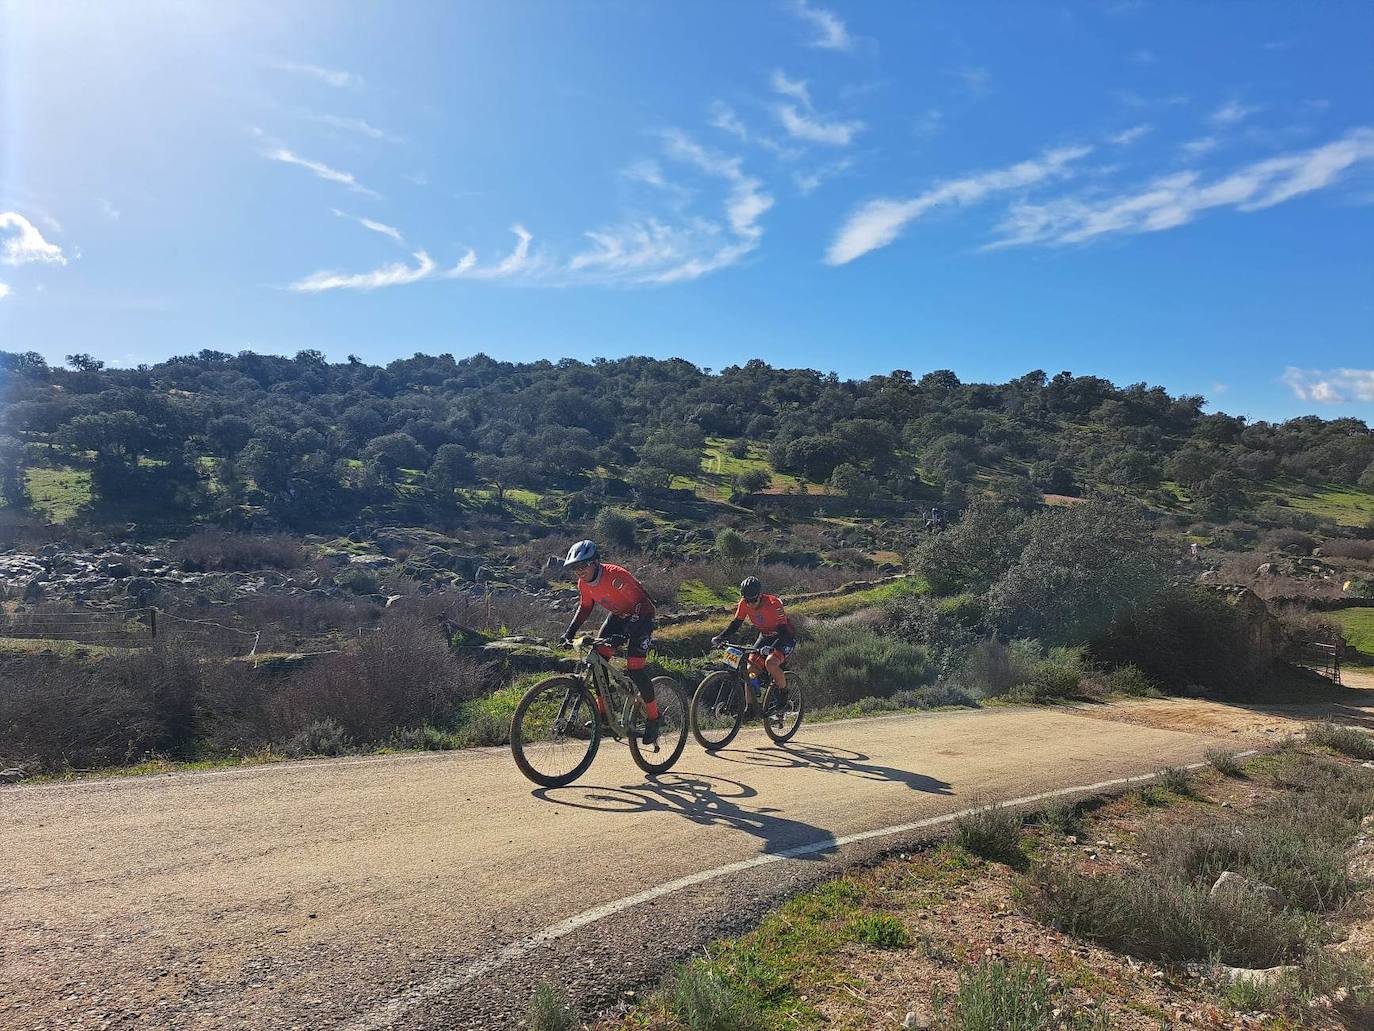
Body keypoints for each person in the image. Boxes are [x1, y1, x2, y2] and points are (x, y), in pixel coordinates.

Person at [557, 540, 661, 744]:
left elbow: (641, 604)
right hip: (619, 616)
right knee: (596, 659)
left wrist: (627, 633)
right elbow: (585, 607)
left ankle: (654, 719)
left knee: (635, 670)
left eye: (583, 565)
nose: (579, 571)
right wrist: (569, 633)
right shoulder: (583, 584)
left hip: (642, 617)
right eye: (575, 568)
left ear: (596, 562)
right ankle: (604, 716)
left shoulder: (615, 576)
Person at [711, 576, 796, 709]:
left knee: (770, 663)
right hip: (765, 636)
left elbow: (783, 631)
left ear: (760, 595)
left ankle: (784, 694)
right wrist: (720, 637)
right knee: (750, 670)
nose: (750, 603)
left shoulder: (774, 604)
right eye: (747, 600)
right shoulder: (744, 603)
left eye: (753, 600)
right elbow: (736, 624)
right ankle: (750, 707)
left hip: (784, 637)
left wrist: (771, 648)